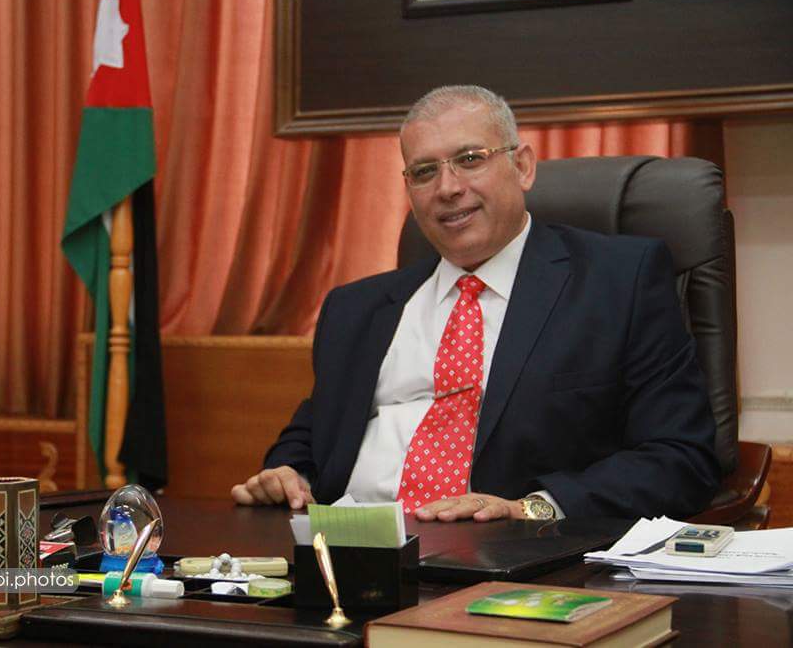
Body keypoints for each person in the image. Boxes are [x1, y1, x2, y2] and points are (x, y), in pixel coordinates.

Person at [231, 85, 720, 522]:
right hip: (349, 551)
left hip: (514, 557)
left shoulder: (617, 281)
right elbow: (312, 435)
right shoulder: (355, 308)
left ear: (522, 166)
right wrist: (287, 472)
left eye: (470, 159)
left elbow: (680, 458)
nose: (447, 188)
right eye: (425, 172)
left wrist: (529, 508)